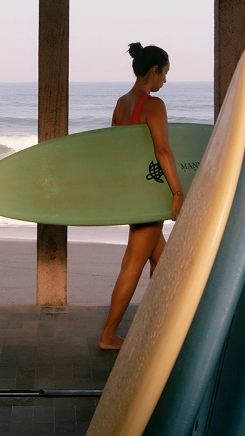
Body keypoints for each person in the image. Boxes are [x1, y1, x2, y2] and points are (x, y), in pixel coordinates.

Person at [98, 42, 184, 350]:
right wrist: (177, 191)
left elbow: (116, 150)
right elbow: (163, 150)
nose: (165, 81)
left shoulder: (121, 103)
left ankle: (159, 323)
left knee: (164, 262)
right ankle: (108, 336)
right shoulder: (153, 105)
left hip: (133, 193)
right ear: (154, 70)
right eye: (165, 74)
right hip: (148, 197)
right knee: (132, 266)